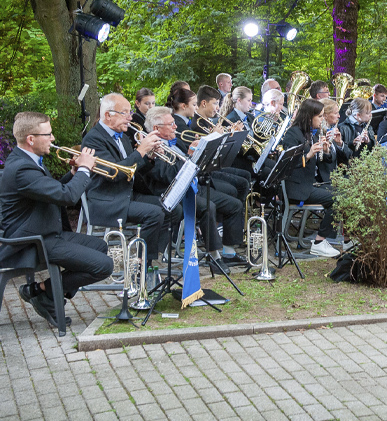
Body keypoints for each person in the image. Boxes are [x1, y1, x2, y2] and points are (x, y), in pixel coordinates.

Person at [0, 112, 114, 329]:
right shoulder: (22, 169)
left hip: (46, 233)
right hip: (31, 241)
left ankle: (43, 292)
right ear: (31, 139)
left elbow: (54, 193)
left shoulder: (28, 161)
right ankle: (43, 293)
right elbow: (68, 197)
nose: (53, 139)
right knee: (104, 266)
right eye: (48, 134)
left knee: (100, 246)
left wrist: (73, 174)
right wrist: (84, 169)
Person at [142, 107, 248, 270]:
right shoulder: (151, 148)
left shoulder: (174, 141)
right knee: (208, 207)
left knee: (234, 205)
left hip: (193, 185)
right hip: (174, 193)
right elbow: (167, 176)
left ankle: (229, 252)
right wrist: (192, 157)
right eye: (171, 124)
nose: (175, 126)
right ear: (157, 129)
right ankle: (214, 256)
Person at [82, 93, 167, 266]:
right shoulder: (94, 139)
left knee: (172, 208)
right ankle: (142, 265)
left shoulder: (122, 136)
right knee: (155, 213)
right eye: (125, 113)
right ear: (108, 115)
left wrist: (150, 156)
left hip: (125, 194)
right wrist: (141, 151)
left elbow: (131, 169)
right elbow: (115, 173)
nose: (130, 117)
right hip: (108, 200)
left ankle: (151, 255)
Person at [281, 99, 344, 257]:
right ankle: (319, 241)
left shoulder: (311, 132)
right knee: (338, 198)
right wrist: (308, 155)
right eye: (320, 116)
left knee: (346, 192)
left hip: (311, 183)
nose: (322, 119)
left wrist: (325, 150)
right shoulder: (293, 133)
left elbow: (323, 161)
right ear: (309, 116)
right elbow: (287, 164)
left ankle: (340, 238)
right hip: (297, 187)